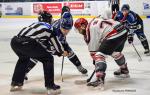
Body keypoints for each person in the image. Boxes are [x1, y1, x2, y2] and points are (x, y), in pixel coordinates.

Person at [10, 11, 71, 95]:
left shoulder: (35, 24)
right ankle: (50, 86)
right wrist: (62, 52)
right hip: (27, 43)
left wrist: (57, 52)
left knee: (23, 58)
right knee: (48, 59)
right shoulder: (50, 28)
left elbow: (41, 46)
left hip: (14, 41)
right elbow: (56, 44)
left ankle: (16, 82)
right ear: (49, 20)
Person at [24, 9, 87, 81]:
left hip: (58, 40)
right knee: (36, 56)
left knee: (70, 51)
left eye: (68, 29)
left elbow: (65, 10)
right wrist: (60, 52)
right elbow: (51, 47)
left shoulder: (63, 21)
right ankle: (24, 72)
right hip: (45, 42)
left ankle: (79, 67)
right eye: (64, 29)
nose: (66, 31)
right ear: (61, 26)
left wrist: (64, 50)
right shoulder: (54, 31)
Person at [74, 11, 129, 89]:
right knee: (115, 53)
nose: (79, 32)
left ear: (82, 26)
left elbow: (94, 52)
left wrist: (96, 61)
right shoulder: (94, 21)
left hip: (113, 34)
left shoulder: (89, 30)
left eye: (78, 29)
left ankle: (99, 78)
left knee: (99, 55)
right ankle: (124, 70)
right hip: (123, 31)